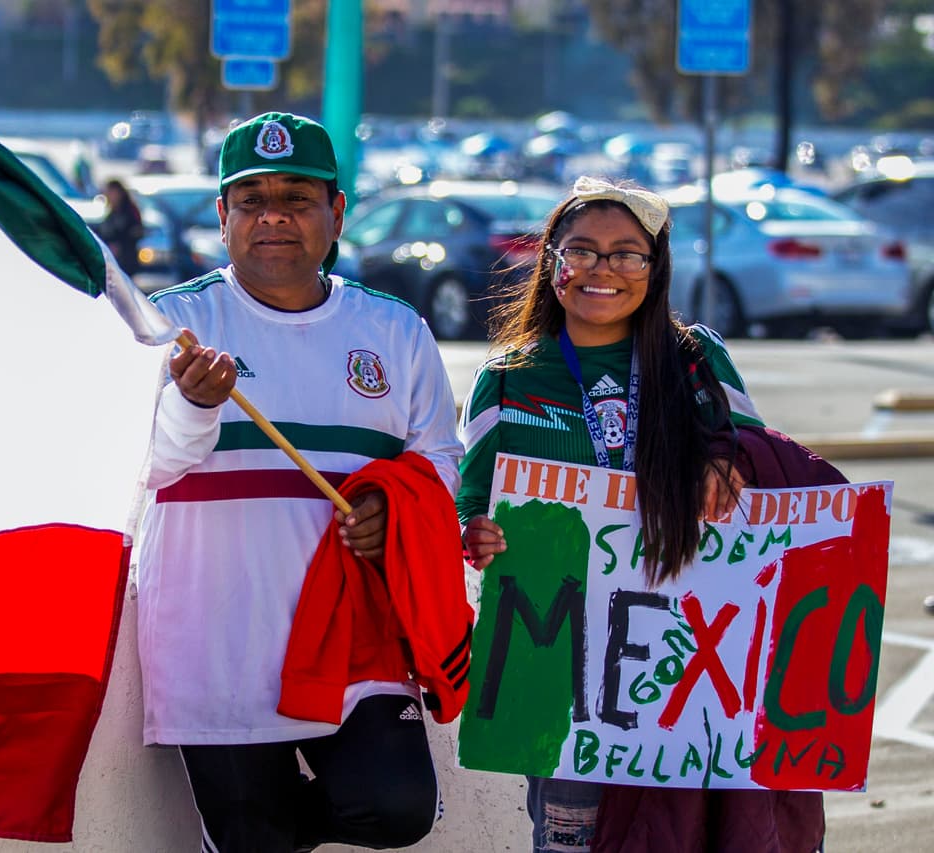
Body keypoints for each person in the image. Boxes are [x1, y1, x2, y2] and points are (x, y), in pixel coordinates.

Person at [136, 111, 465, 853]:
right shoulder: (175, 324)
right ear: (222, 217)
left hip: (356, 636)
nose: (273, 215)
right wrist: (194, 405)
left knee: (398, 805)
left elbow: (443, 463)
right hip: (214, 640)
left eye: (297, 197)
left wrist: (391, 507)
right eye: (250, 199)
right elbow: (139, 469)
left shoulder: (395, 330)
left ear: (337, 213)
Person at [456, 176, 766, 852]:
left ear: (655, 270)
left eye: (628, 253)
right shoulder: (508, 374)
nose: (603, 269)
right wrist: (474, 534)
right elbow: (467, 503)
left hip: (685, 660)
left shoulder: (695, 359)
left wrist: (727, 464)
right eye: (582, 251)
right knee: (573, 840)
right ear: (550, 261)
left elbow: (764, 468)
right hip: (557, 668)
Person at [95, 177, 143, 274]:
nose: (109, 196)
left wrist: (120, 246)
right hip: (111, 260)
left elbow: (136, 232)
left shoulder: (130, 211)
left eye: (112, 193)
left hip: (126, 261)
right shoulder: (111, 214)